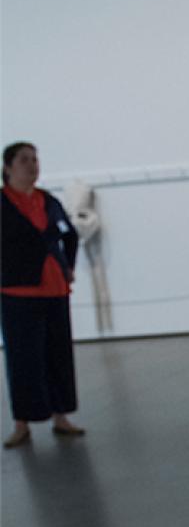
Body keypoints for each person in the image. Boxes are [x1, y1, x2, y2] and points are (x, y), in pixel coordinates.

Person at [2, 142, 84, 448]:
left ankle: (61, 415)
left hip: (54, 288)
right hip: (18, 291)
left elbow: (69, 234)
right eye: (24, 160)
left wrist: (68, 266)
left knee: (58, 354)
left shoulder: (47, 200)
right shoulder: (3, 203)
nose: (32, 165)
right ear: (8, 167)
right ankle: (22, 422)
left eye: (35, 160)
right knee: (24, 357)